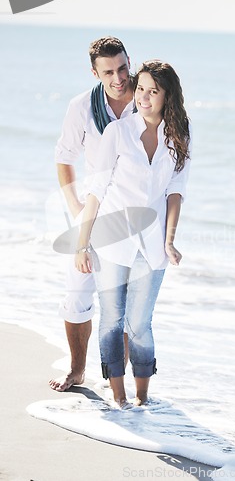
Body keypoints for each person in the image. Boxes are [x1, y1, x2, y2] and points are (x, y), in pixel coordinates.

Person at [75, 60, 191, 408]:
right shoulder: (119, 133)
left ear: (167, 95)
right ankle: (119, 397)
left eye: (153, 91)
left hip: (153, 243)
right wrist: (82, 243)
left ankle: (143, 399)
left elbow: (175, 190)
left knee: (140, 323)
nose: (143, 96)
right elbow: (97, 189)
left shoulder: (179, 135)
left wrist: (170, 240)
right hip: (111, 240)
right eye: (140, 88)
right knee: (112, 320)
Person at [49, 36, 134, 392]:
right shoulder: (82, 106)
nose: (119, 78)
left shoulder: (148, 98)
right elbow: (65, 157)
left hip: (135, 214)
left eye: (123, 68)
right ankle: (77, 369)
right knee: (78, 291)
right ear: (95, 72)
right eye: (109, 72)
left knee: (128, 300)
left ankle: (119, 379)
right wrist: (76, 208)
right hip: (91, 213)